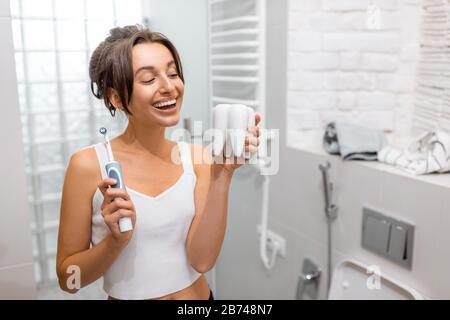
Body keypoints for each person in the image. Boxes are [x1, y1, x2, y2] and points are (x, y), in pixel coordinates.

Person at [56, 25, 260, 300]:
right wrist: (115, 243)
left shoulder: (197, 157)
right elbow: (68, 280)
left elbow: (201, 261)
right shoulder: (88, 165)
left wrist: (222, 174)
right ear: (116, 98)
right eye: (149, 79)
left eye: (173, 73)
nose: (169, 87)